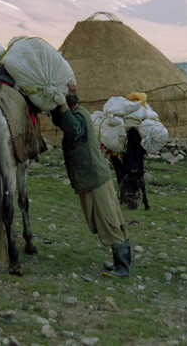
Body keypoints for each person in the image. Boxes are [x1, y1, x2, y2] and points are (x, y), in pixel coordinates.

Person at [50, 86, 132, 278]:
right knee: (108, 216)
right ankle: (120, 261)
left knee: (108, 219)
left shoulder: (78, 118)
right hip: (93, 176)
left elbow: (72, 130)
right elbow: (63, 123)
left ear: (69, 105)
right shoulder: (78, 113)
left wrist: (61, 105)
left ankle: (122, 266)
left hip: (94, 177)